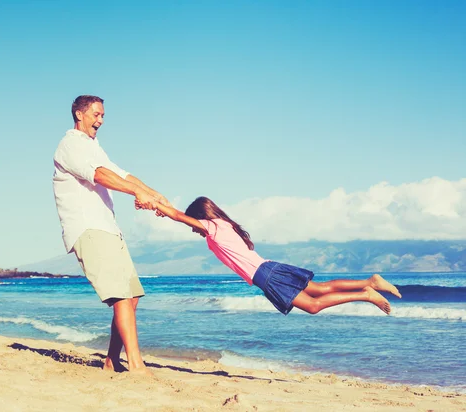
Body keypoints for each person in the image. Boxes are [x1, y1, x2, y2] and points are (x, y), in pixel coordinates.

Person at [53, 95, 168, 375]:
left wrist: (153, 194)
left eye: (103, 115)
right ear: (79, 115)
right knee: (119, 296)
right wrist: (136, 193)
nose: (100, 120)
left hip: (108, 228)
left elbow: (119, 173)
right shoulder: (70, 145)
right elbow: (100, 175)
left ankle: (111, 361)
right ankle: (136, 365)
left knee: (131, 297)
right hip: (88, 228)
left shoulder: (92, 146)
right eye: (95, 114)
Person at [137, 196, 402, 315]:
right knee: (321, 289)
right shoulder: (224, 226)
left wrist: (156, 207)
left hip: (266, 275)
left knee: (313, 305)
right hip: (269, 269)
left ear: (201, 217)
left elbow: (180, 218)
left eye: (195, 223)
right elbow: (179, 217)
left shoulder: (214, 227)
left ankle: (366, 294)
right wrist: (161, 208)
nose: (194, 229)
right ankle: (372, 281)